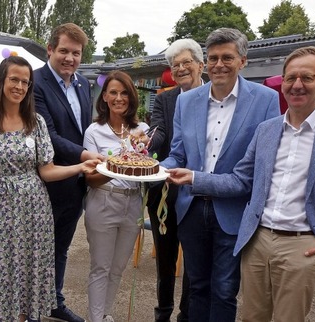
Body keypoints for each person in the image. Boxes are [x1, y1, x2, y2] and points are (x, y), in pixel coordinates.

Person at [167, 45, 315, 322]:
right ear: (282, 83)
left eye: (307, 78)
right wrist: (194, 177)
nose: (297, 85)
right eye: (291, 78)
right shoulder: (267, 129)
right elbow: (241, 180)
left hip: (303, 243)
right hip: (257, 239)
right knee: (251, 316)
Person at [159, 28, 280, 322]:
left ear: (243, 61)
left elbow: (259, 168)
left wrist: (194, 178)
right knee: (196, 287)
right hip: (191, 209)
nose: (219, 64)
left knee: (225, 290)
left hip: (234, 210)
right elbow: (178, 153)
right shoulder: (187, 102)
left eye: (227, 57)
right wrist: (157, 169)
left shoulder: (266, 100)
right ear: (205, 62)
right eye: (213, 58)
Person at [0, 56, 100, 321]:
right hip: (0, 209)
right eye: (14, 79)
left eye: (25, 82)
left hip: (35, 212)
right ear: (2, 81)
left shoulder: (36, 122)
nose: (19, 86)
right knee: (0, 275)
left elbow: (47, 170)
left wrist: (80, 167)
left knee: (30, 276)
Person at [33, 22, 103, 322]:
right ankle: (32, 307)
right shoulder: (35, 82)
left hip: (76, 182)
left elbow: (85, 131)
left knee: (60, 248)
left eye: (76, 53)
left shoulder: (83, 84)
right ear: (50, 49)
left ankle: (54, 301)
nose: (70, 58)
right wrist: (86, 156)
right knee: (37, 251)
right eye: (64, 51)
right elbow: (47, 134)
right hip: (47, 181)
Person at [83, 71, 149, 322]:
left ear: (132, 97)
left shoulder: (141, 130)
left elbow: (147, 165)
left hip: (133, 202)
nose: (118, 98)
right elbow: (90, 177)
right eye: (113, 92)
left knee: (118, 267)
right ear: (105, 97)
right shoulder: (94, 130)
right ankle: (95, 318)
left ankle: (104, 313)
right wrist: (118, 165)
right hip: (103, 199)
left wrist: (140, 151)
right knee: (101, 267)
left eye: (124, 93)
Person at [147, 38, 204, 322]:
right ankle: (163, 312)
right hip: (165, 187)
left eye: (186, 63)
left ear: (199, 64)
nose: (180, 69)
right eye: (175, 65)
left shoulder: (213, 96)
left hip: (198, 190)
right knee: (165, 258)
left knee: (194, 261)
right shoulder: (165, 98)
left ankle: (186, 314)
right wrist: (144, 145)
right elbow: (158, 133)